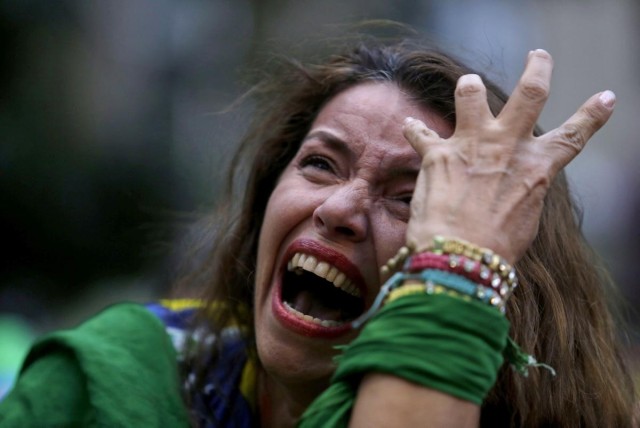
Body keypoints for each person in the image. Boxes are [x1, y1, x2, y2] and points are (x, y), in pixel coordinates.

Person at [0, 32, 637, 427]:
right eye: (320, 164)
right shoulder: (103, 382)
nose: (339, 209)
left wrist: (458, 267)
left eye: (412, 198)